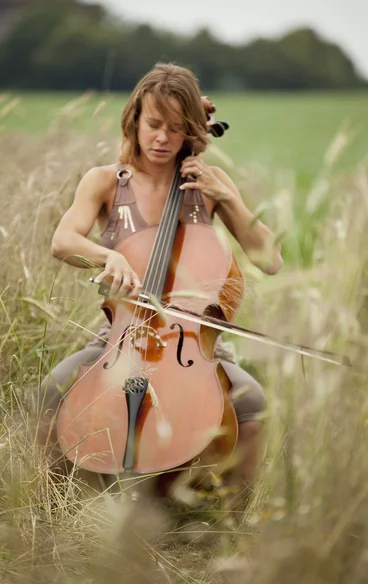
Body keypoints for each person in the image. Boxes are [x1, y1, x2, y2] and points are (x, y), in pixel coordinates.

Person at [38, 62, 283, 505]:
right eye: (154, 125)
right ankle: (53, 504)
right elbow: (62, 241)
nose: (163, 139)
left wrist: (226, 196)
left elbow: (271, 260)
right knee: (55, 385)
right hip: (121, 335)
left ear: (192, 130)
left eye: (175, 129)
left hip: (195, 340)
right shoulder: (106, 182)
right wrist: (107, 255)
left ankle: (225, 526)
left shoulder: (208, 185)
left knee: (251, 404)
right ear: (134, 119)